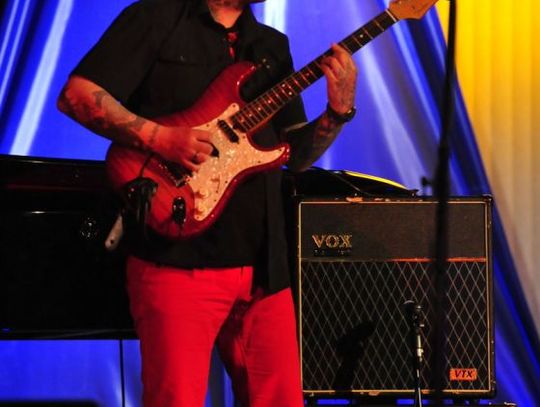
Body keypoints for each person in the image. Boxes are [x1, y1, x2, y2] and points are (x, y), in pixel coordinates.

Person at [57, 0, 357, 406]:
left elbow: (297, 156)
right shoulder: (155, 18)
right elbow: (76, 95)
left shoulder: (270, 46)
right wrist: (161, 138)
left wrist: (337, 114)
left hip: (263, 271)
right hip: (177, 260)